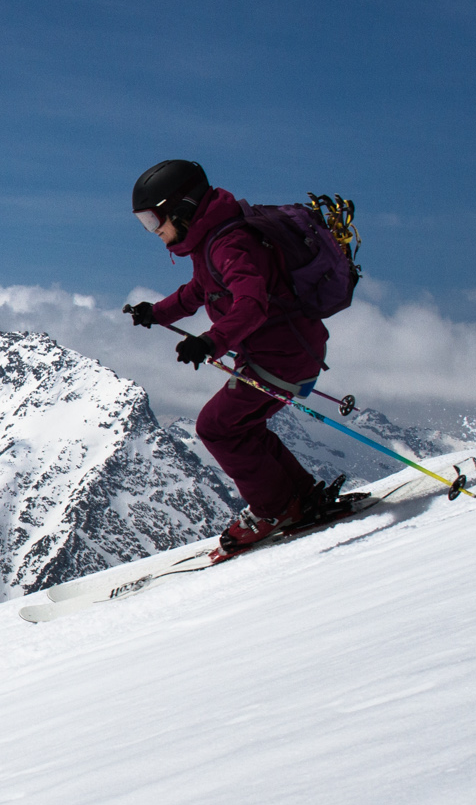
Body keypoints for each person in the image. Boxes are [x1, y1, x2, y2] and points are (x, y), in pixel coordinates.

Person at [127, 159, 330, 552]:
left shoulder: (230, 244)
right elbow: (198, 292)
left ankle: (275, 508)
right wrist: (157, 313)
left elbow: (252, 305)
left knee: (216, 426)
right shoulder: (212, 242)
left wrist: (209, 341)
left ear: (182, 209)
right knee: (242, 428)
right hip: (280, 351)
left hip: (283, 355)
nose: (154, 232)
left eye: (154, 220)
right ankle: (298, 497)